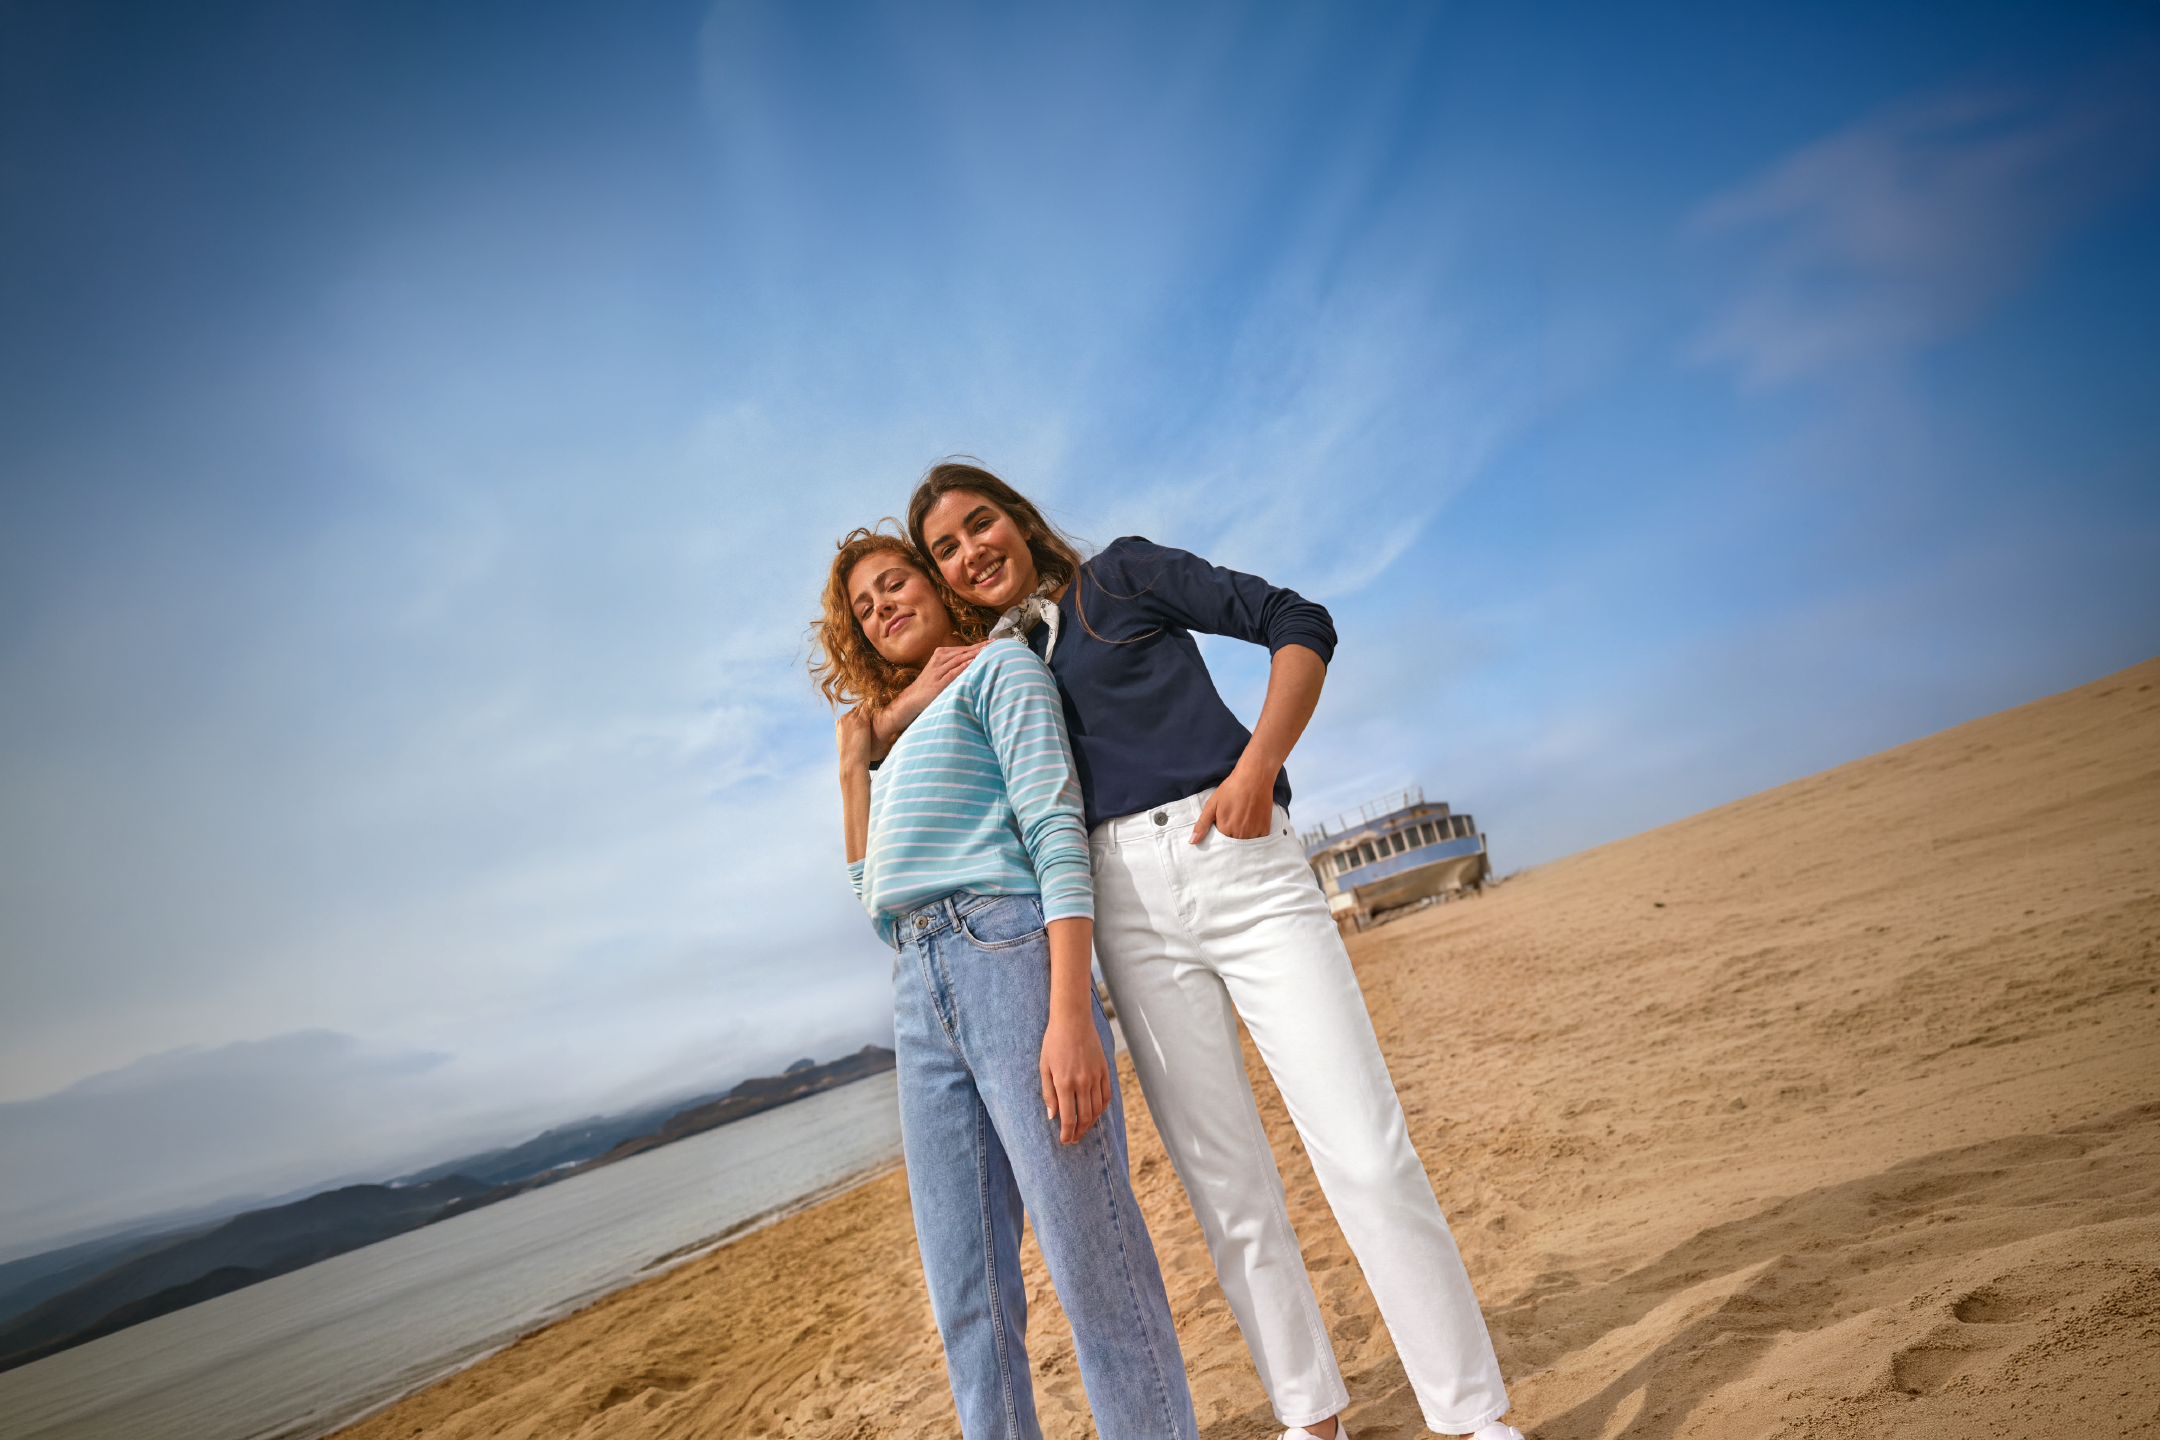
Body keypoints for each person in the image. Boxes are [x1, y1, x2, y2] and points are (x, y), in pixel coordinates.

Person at [874, 464, 1523, 1440]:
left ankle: (1473, 1418)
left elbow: (1298, 621)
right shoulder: (997, 666)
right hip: (1121, 907)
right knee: (1228, 1187)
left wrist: (1260, 764)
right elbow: (897, 752)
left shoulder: (1124, 578)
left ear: (1018, 519)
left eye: (980, 524)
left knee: (1364, 1149)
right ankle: (1311, 1418)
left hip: (1239, 862)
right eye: (947, 550)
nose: (971, 553)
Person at [811, 526, 1198, 1440]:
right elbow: (872, 899)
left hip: (1007, 954)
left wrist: (1071, 1011)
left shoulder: (1001, 671)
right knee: (966, 1293)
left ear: (940, 586)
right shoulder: (890, 749)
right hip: (917, 981)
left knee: (1088, 1252)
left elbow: (1055, 832)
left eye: (895, 583)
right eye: (864, 608)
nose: (883, 609)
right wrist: (854, 760)